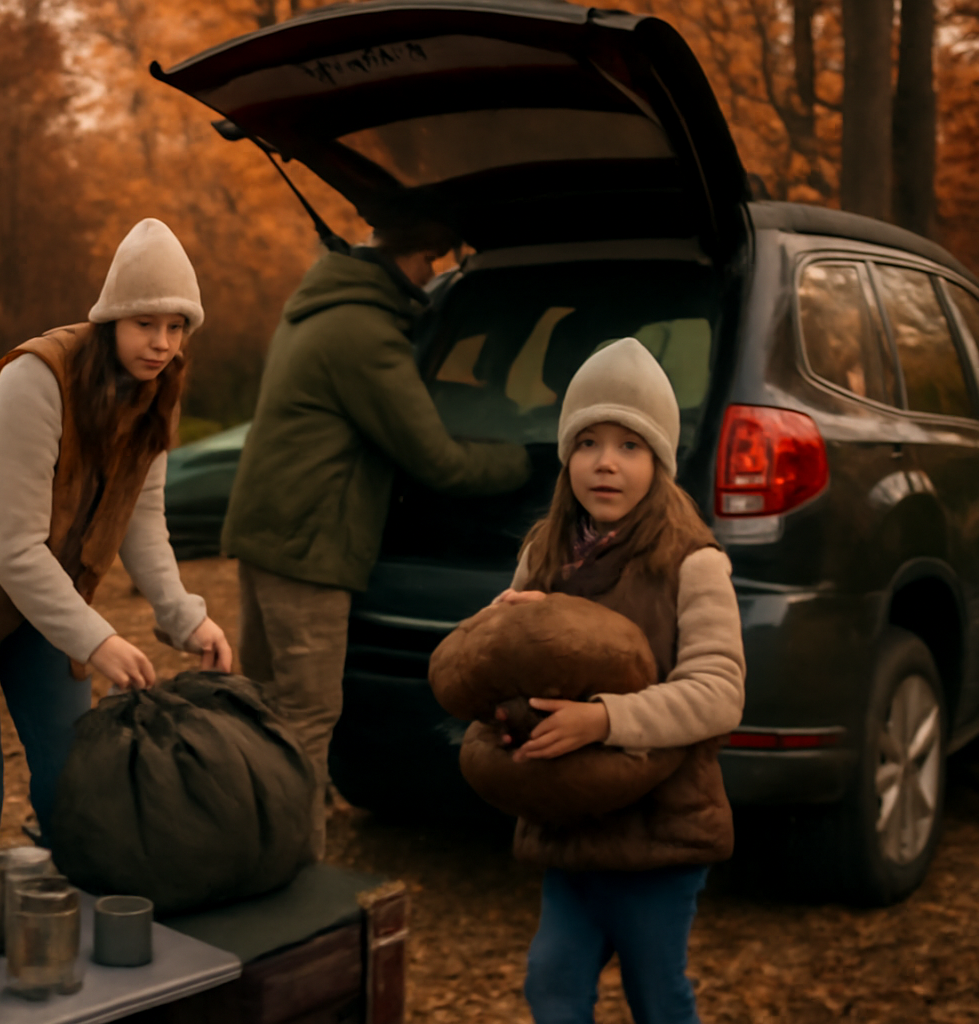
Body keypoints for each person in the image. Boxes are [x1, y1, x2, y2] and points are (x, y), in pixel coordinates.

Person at [0, 217, 233, 857]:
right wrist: (100, 641)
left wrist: (184, 615)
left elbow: (141, 517)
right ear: (111, 320)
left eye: (176, 327)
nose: (161, 343)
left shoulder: (158, 390)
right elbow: (14, 551)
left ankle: (60, 926)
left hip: (46, 594)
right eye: (145, 323)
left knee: (73, 778)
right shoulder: (37, 381)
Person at [221, 217, 532, 857]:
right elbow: (437, 460)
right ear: (415, 255)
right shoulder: (364, 333)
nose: (431, 279)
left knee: (262, 707)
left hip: (265, 532)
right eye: (431, 264)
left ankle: (245, 843)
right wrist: (529, 460)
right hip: (310, 546)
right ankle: (293, 872)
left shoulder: (319, 304)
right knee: (306, 717)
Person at [490, 338, 745, 1023]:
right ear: (566, 455)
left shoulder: (692, 563)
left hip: (661, 831)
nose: (606, 462)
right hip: (571, 826)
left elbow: (720, 690)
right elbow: (491, 661)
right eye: (589, 442)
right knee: (552, 982)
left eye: (631, 445)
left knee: (656, 991)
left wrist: (603, 719)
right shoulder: (544, 552)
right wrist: (502, 637)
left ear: (660, 462)